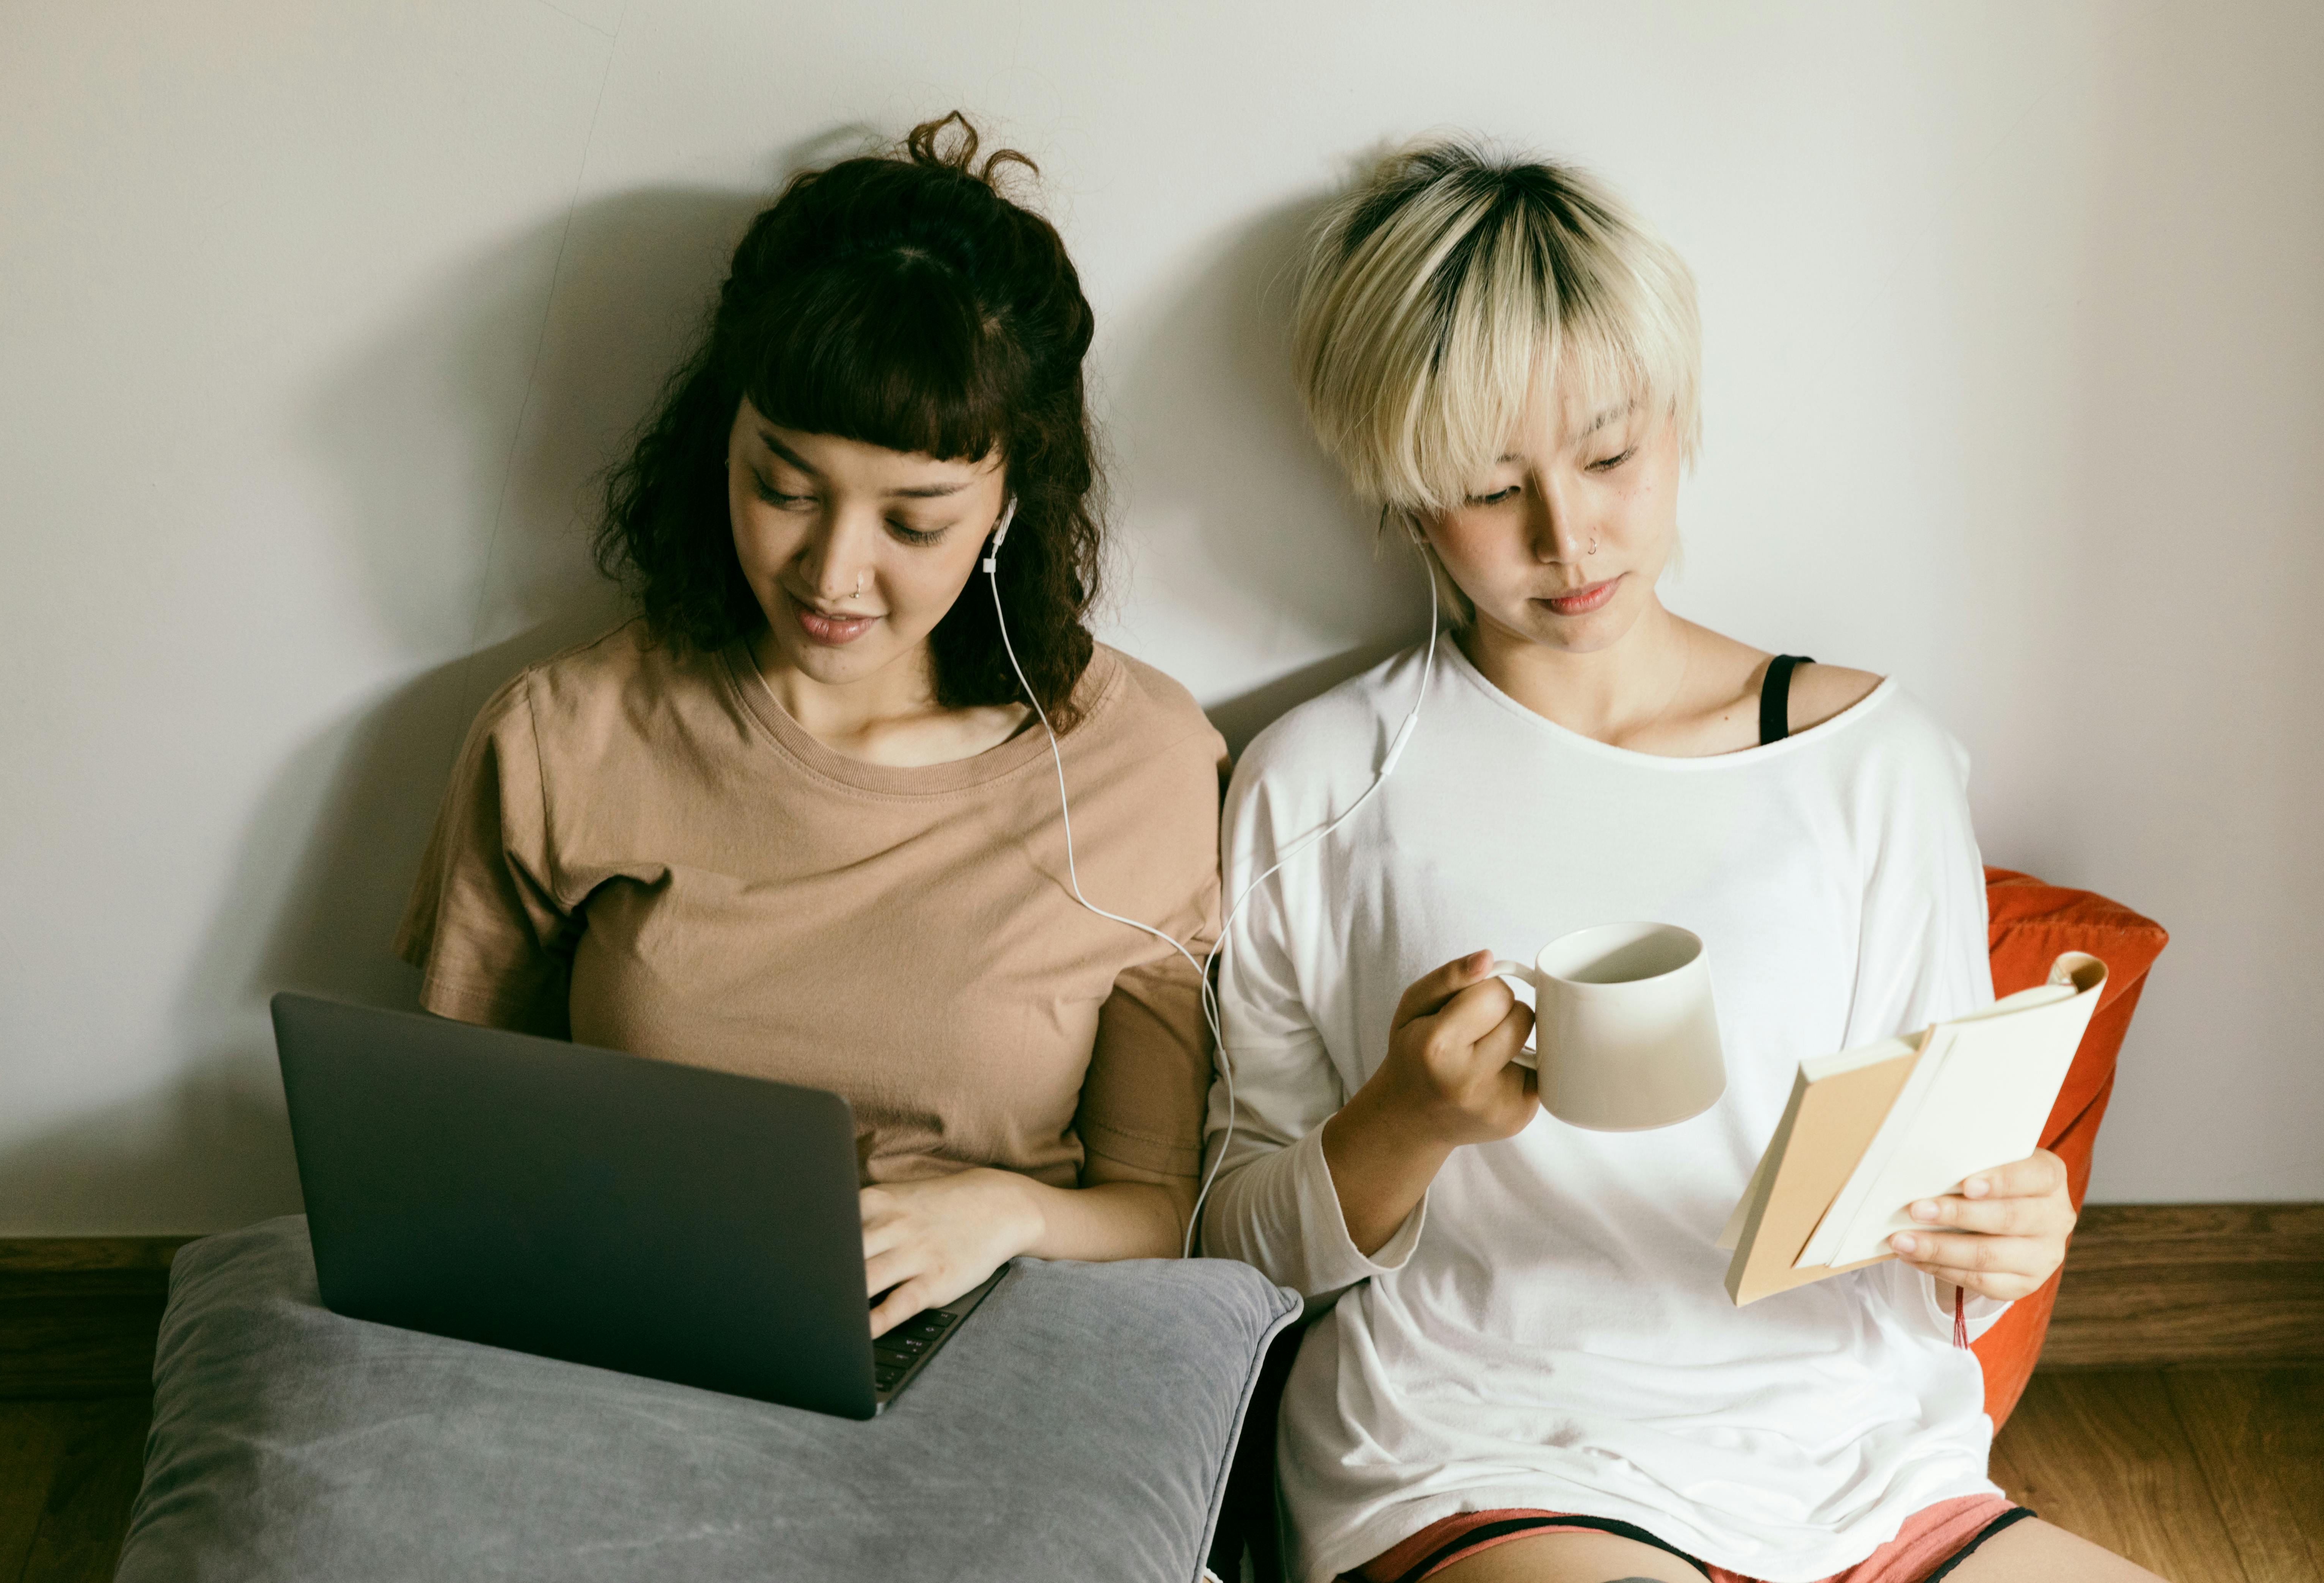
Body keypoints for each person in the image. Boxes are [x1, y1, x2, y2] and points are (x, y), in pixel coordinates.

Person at [1200, 141, 2157, 1583]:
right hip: (1484, 1449)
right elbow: (1228, 1257)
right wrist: (1407, 1117)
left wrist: (1995, 1240)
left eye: (1607, 455)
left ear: (1676, 421)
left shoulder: (1870, 759)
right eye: (1484, 482)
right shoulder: (1322, 783)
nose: (1566, 535)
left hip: (1861, 1460)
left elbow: (1936, 1223)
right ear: (1399, 495)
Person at [397, 114, 1222, 1339]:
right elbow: (455, 1150)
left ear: (1010, 501)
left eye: (915, 522)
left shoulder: (1136, 763)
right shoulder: (567, 736)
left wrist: (997, 1215)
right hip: (630, 1327)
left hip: (993, 1342)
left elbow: (1156, 1211)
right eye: (782, 488)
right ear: (716, 443)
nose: (832, 573)